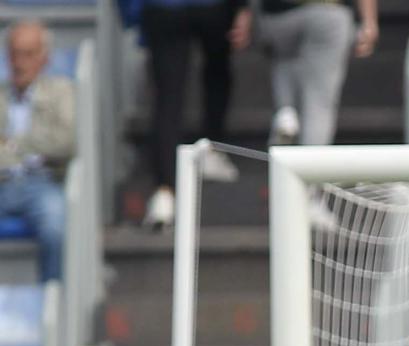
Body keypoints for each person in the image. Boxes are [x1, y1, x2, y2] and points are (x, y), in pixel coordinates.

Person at [142, 0, 251, 228]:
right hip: (211, 8)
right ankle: (212, 147)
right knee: (216, 73)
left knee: (168, 96)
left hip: (163, 8)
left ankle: (165, 191)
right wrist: (242, 7)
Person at [0, 22, 71, 282]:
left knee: (55, 226)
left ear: (45, 58)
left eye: (28, 54)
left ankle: (52, 303)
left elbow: (66, 143)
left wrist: (14, 144)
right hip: (3, 183)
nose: (20, 63)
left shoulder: (62, 92)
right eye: (14, 54)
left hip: (43, 183)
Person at [258, 0, 379, 148]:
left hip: (276, 17)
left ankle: (286, 110)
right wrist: (369, 21)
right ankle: (310, 165)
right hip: (328, 12)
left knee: (284, 56)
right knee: (319, 101)